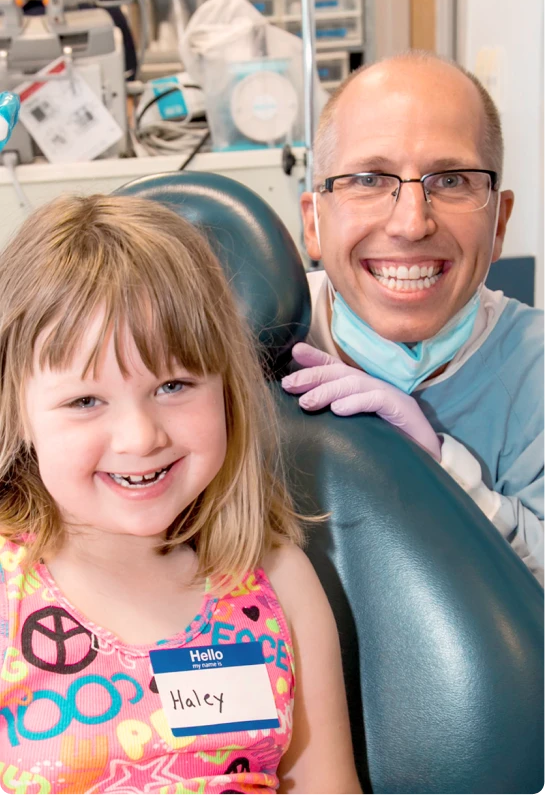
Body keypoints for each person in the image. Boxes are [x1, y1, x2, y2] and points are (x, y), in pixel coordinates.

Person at [0, 194, 362, 794]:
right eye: (85, 401)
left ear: (228, 391)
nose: (141, 437)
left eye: (173, 385)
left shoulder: (278, 584)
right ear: (19, 415)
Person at [282, 51, 545, 586]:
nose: (411, 223)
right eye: (369, 179)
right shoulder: (256, 338)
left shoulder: (534, 369)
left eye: (451, 181)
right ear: (313, 223)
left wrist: (442, 474)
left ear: (499, 225)